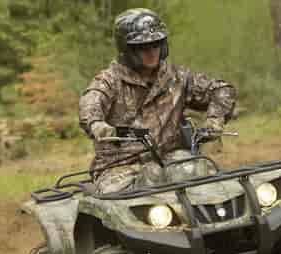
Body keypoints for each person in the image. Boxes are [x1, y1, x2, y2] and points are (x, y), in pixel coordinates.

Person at [79, 8, 236, 193]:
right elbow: (90, 106)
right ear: (127, 49)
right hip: (121, 168)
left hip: (172, 159)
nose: (152, 52)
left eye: (156, 44)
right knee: (137, 193)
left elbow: (221, 90)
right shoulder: (109, 80)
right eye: (143, 47)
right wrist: (98, 126)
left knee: (208, 178)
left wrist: (215, 120)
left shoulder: (177, 77)